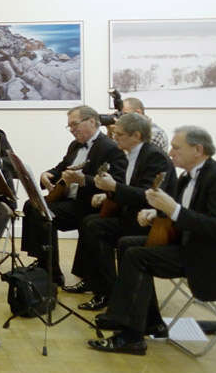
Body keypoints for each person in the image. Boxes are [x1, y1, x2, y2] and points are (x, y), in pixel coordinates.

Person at [90, 126, 216, 355]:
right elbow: (185, 214)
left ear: (198, 150)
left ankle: (131, 337)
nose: (170, 153)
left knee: (137, 256)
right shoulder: (187, 177)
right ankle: (149, 322)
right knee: (127, 243)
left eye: (176, 148)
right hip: (195, 247)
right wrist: (158, 214)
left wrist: (173, 210)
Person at [72, 112, 178, 312]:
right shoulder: (132, 154)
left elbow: (148, 196)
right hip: (133, 216)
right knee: (90, 223)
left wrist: (114, 188)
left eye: (119, 134)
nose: (115, 138)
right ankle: (100, 285)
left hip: (151, 221)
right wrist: (108, 195)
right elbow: (130, 189)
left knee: (96, 227)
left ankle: (106, 291)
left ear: (136, 136)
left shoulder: (154, 157)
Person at [22, 105, 127, 287]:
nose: (71, 129)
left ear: (92, 122)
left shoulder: (110, 148)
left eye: (75, 124)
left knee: (39, 210)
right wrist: (47, 174)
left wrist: (84, 180)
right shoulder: (75, 145)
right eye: (69, 126)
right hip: (71, 202)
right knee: (32, 205)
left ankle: (50, 269)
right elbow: (61, 168)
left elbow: (116, 183)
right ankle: (47, 266)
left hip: (91, 204)